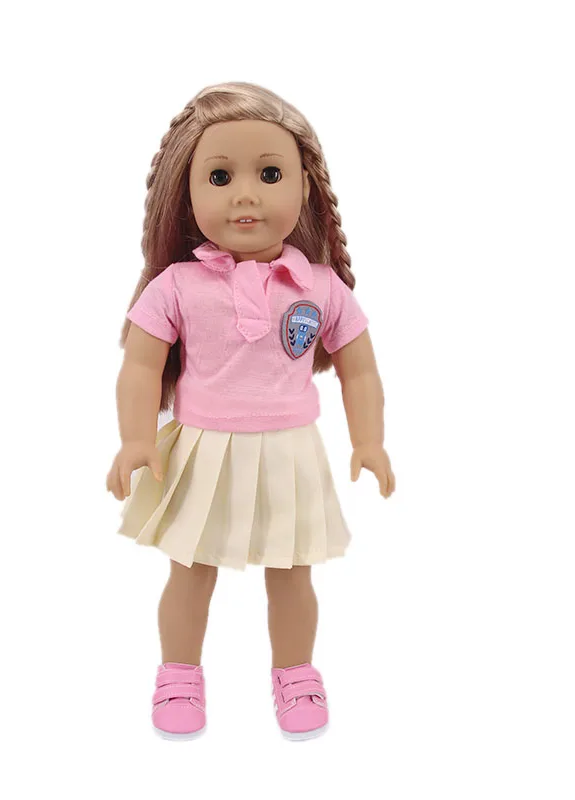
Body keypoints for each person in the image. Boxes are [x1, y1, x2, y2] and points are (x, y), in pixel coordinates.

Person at [106, 82, 396, 741]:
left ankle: (296, 673)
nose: (245, 195)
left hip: (289, 451)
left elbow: (360, 369)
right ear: (188, 191)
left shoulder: (319, 287)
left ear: (305, 187)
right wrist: (135, 438)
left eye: (269, 174)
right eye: (220, 177)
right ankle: (179, 673)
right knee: (190, 571)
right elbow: (141, 366)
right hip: (201, 449)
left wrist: (369, 441)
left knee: (293, 575)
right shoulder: (176, 286)